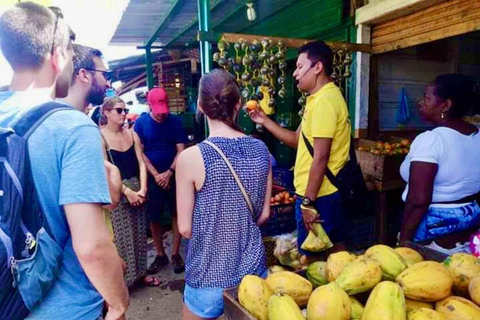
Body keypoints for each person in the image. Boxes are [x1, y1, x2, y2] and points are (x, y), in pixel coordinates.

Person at [0, 3, 128, 320]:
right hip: (68, 308)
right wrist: (119, 301)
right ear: (58, 55)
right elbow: (91, 247)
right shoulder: (72, 128)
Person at [176, 69, 272, 320]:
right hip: (253, 276)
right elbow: (263, 214)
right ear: (238, 104)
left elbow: (185, 228)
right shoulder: (261, 150)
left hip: (208, 276)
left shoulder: (190, 157)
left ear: (200, 106)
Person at [248, 41, 351, 257]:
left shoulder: (324, 102)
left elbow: (321, 157)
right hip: (321, 195)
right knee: (336, 253)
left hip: (319, 196)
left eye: (300, 67)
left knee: (315, 261)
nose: (295, 74)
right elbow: (297, 140)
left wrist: (308, 203)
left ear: (318, 67)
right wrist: (264, 120)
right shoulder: (318, 99)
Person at [399, 74, 480, 243]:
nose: (421, 103)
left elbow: (418, 201)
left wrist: (404, 241)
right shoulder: (477, 134)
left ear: (445, 105)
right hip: (470, 216)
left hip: (435, 223)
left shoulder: (432, 140)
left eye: (427, 97)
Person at [101, 96, 160, 288]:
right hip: (118, 195)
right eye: (119, 110)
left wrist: (142, 189)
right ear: (106, 112)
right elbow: (105, 170)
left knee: (140, 236)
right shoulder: (100, 138)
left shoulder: (132, 134)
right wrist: (127, 192)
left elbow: (141, 164)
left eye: (125, 110)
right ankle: (124, 280)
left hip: (137, 189)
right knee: (122, 239)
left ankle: (141, 274)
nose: (124, 114)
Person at [134, 87, 187, 274]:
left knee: (176, 213)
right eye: (158, 113)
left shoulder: (175, 121)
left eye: (164, 112)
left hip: (174, 175)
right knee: (154, 217)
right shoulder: (140, 124)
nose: (161, 116)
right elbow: (140, 153)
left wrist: (169, 172)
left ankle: (174, 253)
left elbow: (181, 149)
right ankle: (160, 254)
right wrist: (156, 175)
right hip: (152, 178)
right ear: (149, 105)